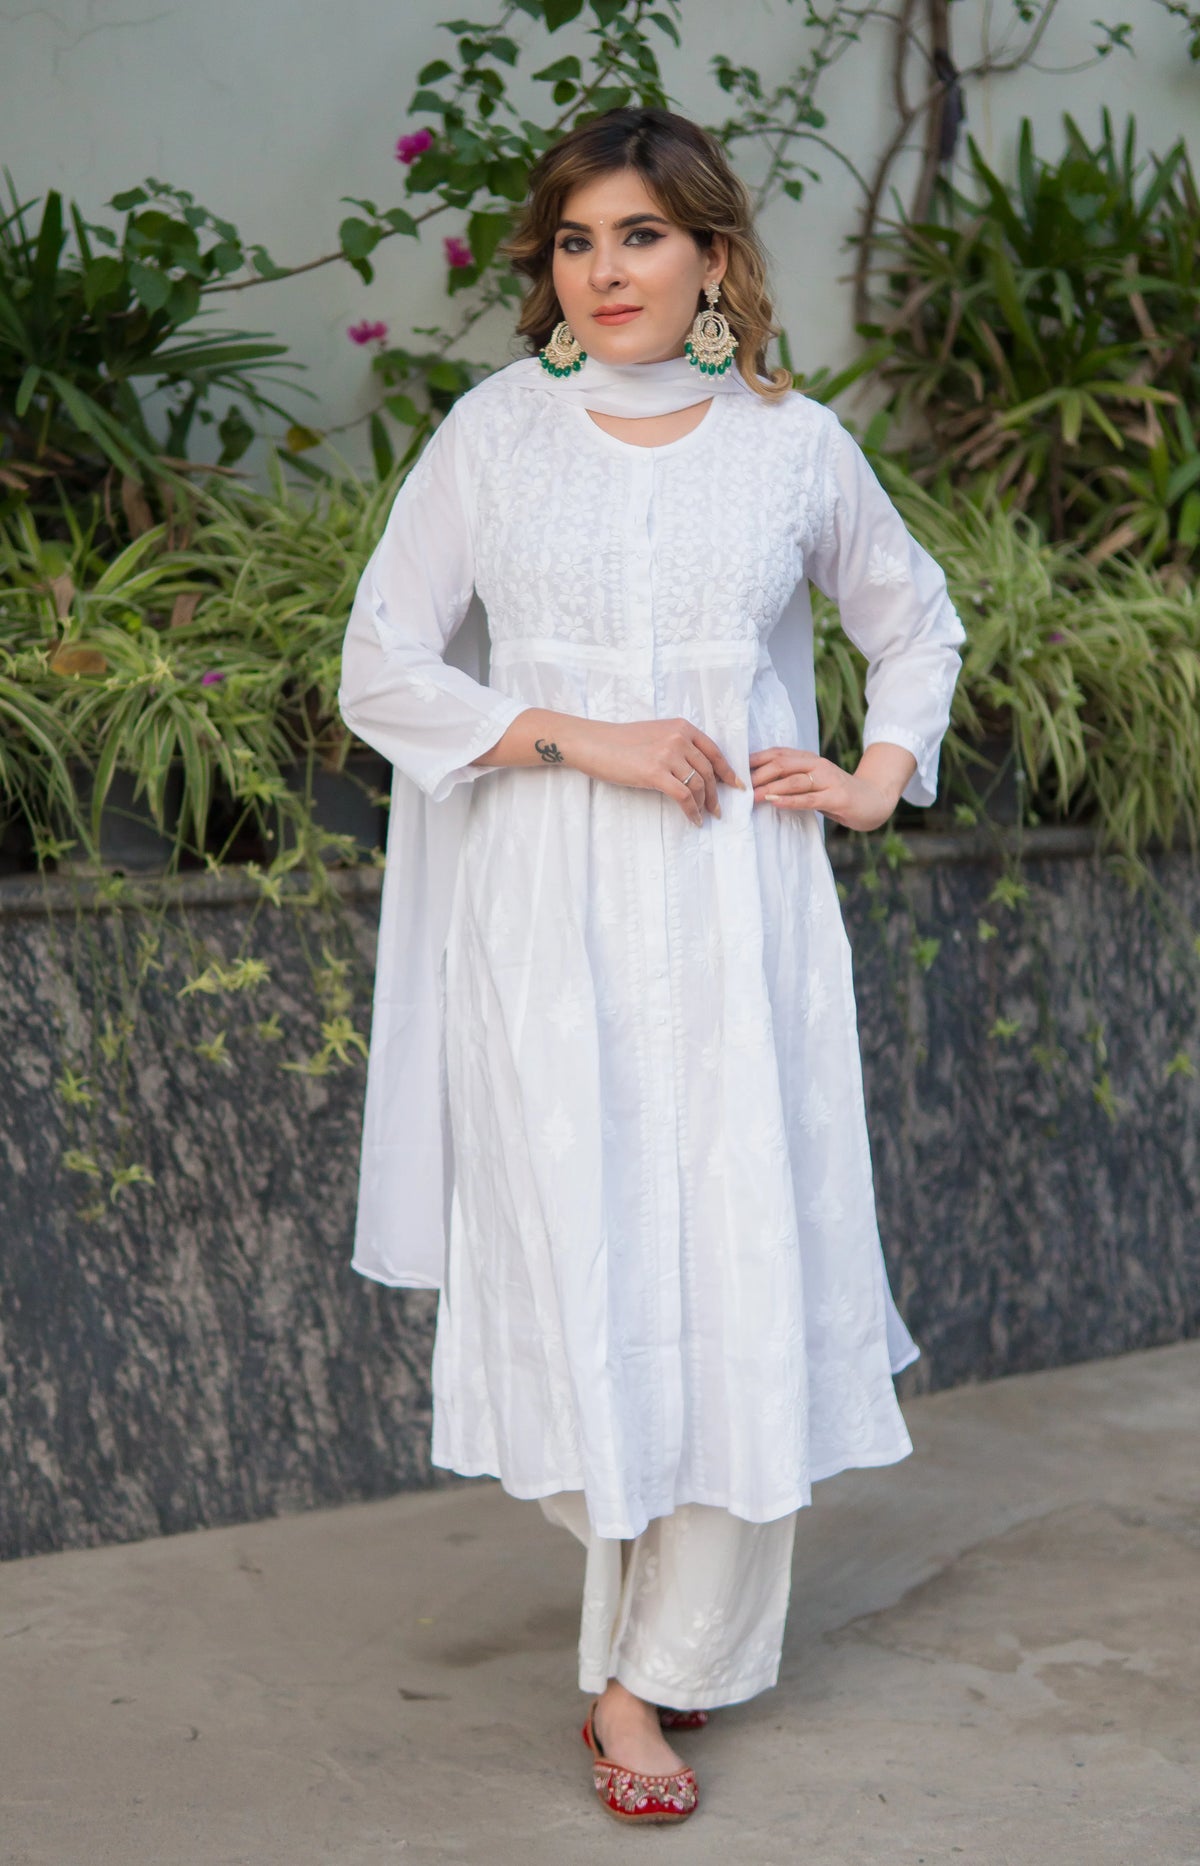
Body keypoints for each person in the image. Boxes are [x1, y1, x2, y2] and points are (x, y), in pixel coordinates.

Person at [338, 105, 966, 1826]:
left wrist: (871, 780)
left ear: (709, 257)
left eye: (640, 237)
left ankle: (647, 1675)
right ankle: (630, 1614)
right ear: (545, 269)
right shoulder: (497, 435)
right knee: (584, 1255)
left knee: (738, 1259)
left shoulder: (790, 445)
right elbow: (379, 668)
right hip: (545, 911)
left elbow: (911, 620)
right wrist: (566, 733)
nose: (603, 271)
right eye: (573, 241)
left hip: (738, 914)